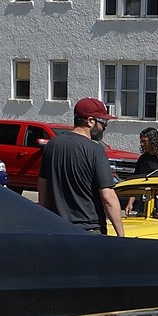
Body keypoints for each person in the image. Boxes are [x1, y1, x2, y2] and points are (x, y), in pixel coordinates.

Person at [38, 97, 123, 236]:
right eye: (103, 122)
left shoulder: (52, 145)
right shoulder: (95, 151)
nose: (105, 127)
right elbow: (108, 198)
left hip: (57, 229)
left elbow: (42, 185)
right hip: (88, 230)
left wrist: (44, 219)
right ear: (90, 121)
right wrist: (121, 234)